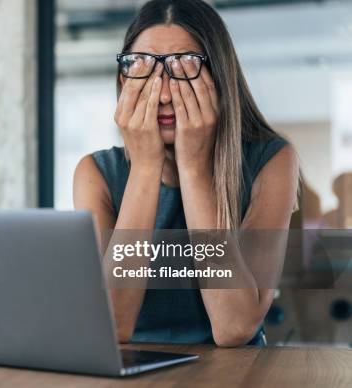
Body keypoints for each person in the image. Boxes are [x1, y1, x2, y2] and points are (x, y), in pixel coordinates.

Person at [73, 0, 299, 347]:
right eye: (144, 67)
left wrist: (193, 168)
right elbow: (111, 326)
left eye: (185, 66)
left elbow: (235, 327)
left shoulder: (272, 161)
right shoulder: (96, 173)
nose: (163, 94)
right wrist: (146, 168)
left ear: (220, 79)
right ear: (124, 79)